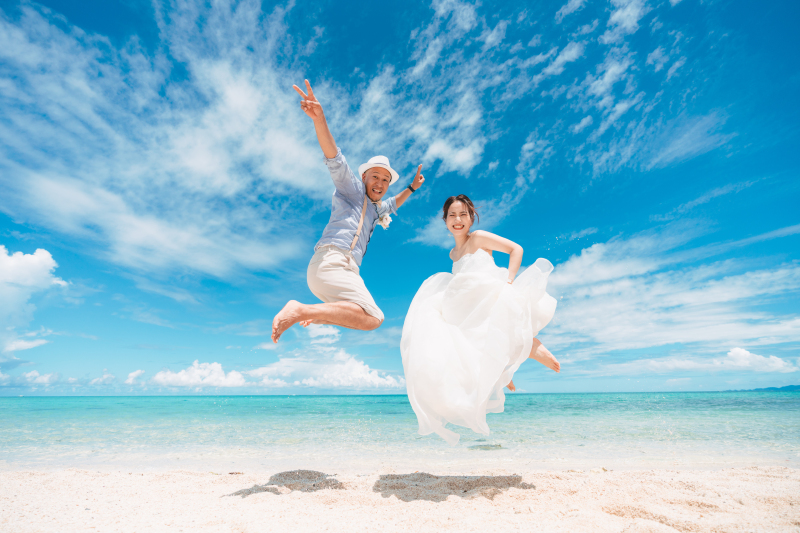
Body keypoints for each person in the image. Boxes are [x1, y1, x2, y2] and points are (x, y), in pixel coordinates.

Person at [272, 80, 425, 343]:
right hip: (332, 261)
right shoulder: (352, 190)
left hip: (345, 270)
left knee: (367, 318)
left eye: (385, 180)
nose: (380, 183)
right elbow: (335, 158)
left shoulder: (376, 209)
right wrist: (319, 119)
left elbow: (393, 204)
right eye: (375, 176)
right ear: (364, 177)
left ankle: (316, 315)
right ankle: (302, 310)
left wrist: (411, 187)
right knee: (374, 316)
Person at [400, 194, 560, 445]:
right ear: (445, 221)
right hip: (467, 306)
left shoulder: (478, 238)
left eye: (463, 214)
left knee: (481, 322)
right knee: (454, 340)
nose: (458, 219)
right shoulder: (453, 254)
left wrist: (510, 280)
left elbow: (516, 249)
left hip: (488, 294)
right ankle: (501, 370)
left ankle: (528, 347)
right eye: (452, 215)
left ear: (471, 217)